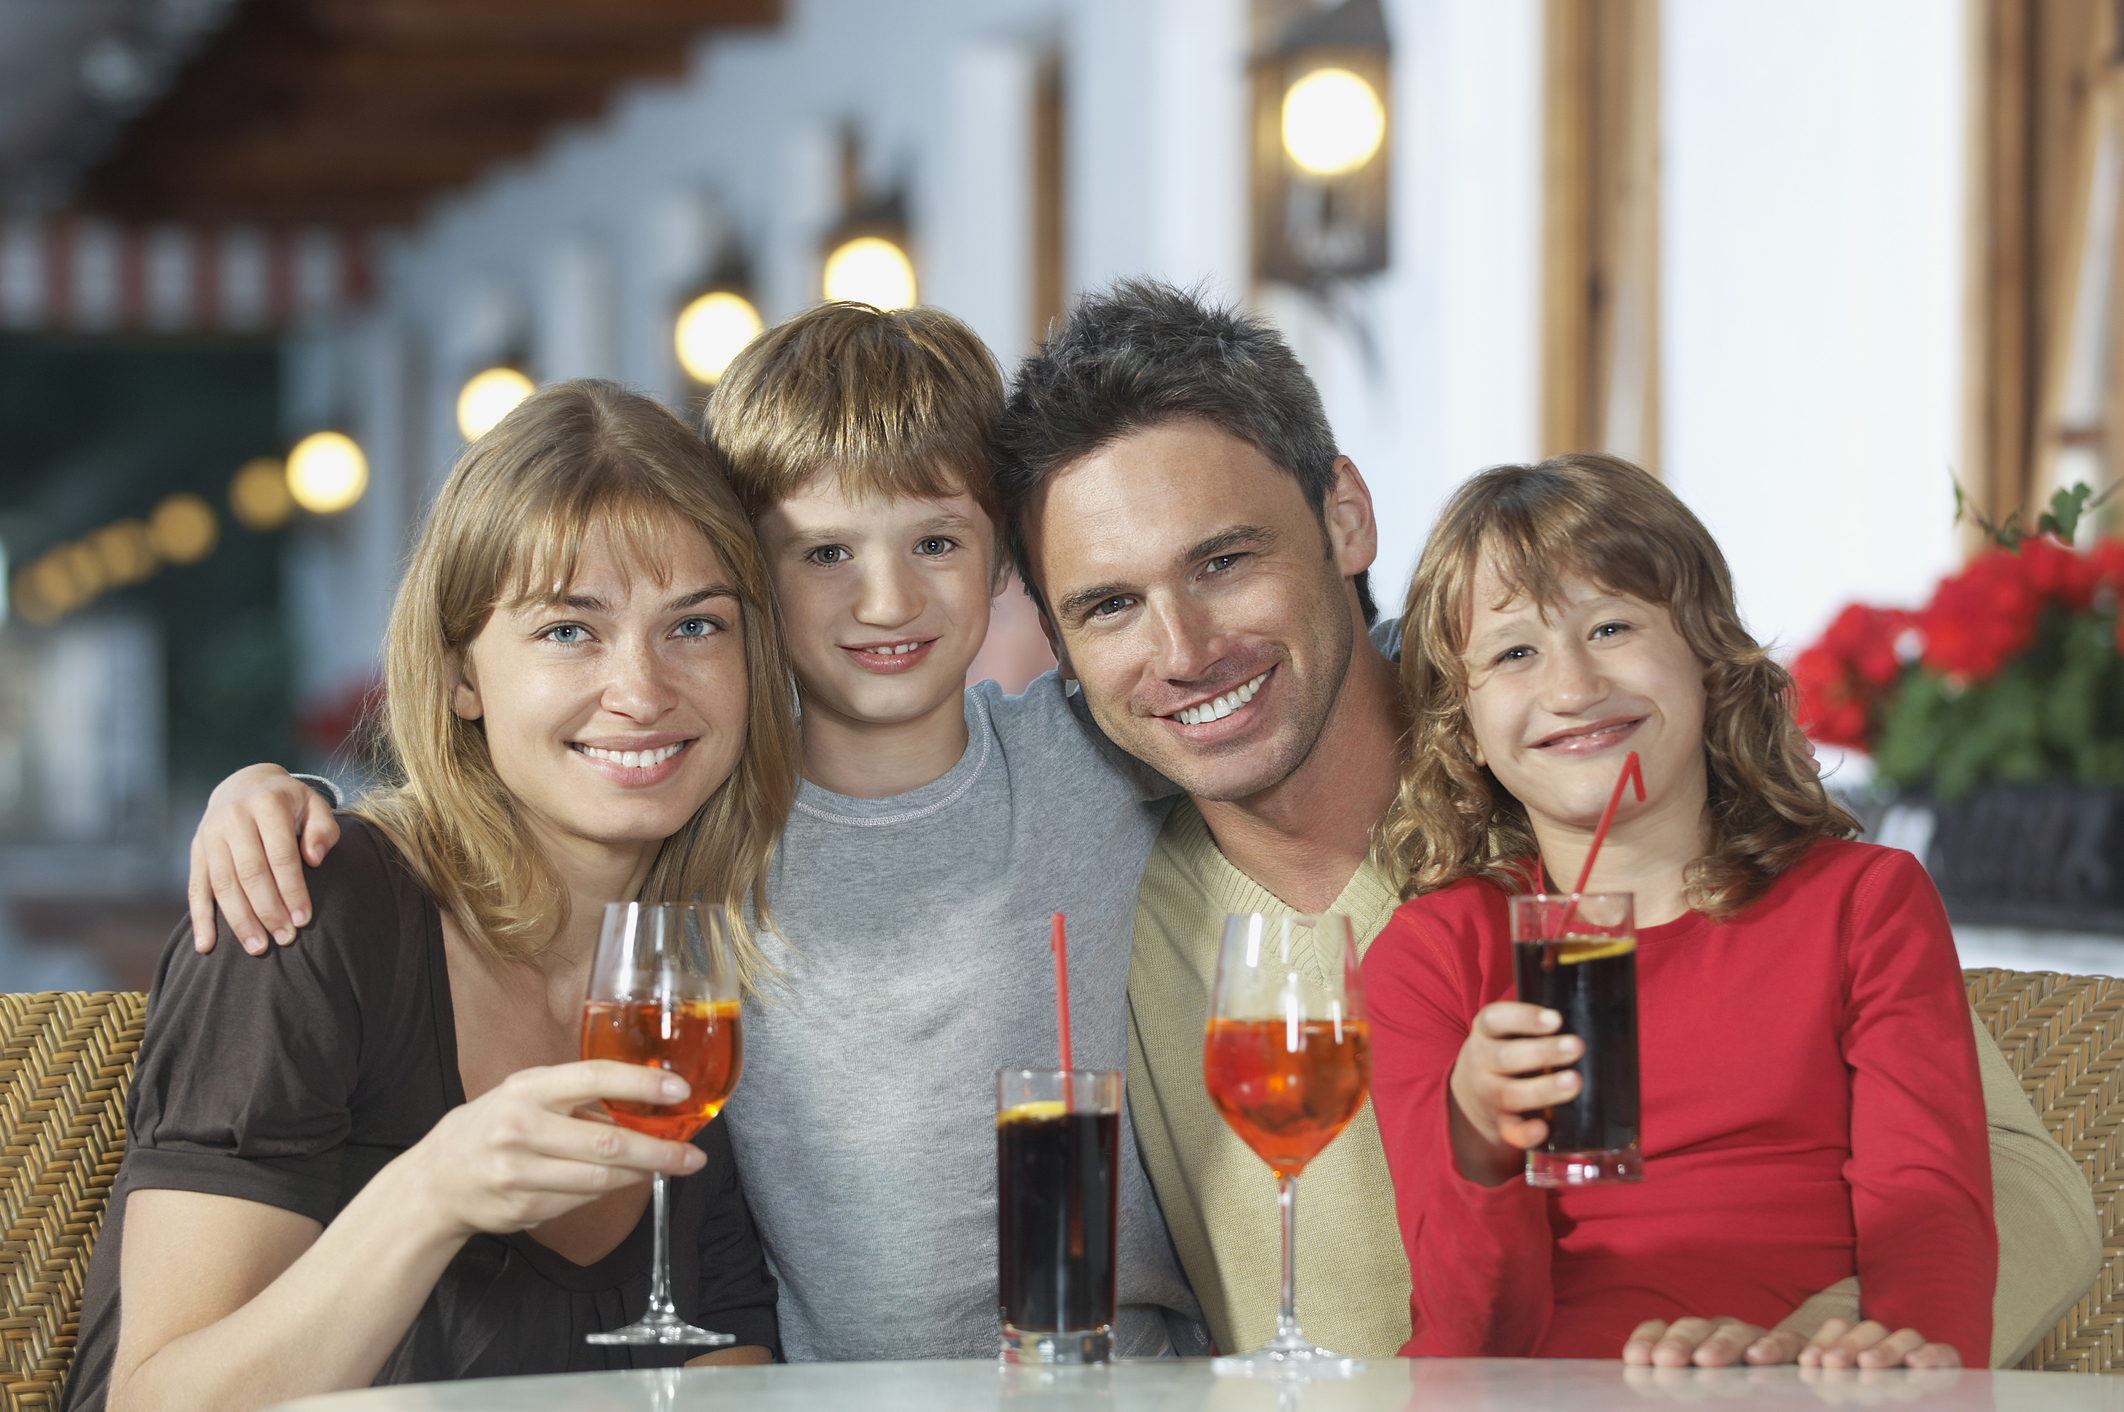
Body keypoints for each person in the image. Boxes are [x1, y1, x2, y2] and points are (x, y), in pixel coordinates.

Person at [992, 280, 2097, 1366]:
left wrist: (1809, 1349)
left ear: (1344, 516)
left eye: (1223, 561)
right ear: (1061, 644)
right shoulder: (1106, 879)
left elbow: (2017, 1184)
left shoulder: (1580, 779)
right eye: (1109, 606)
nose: (1183, 652)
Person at [177, 302, 1205, 1361]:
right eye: (824, 554)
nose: (888, 597)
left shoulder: (1096, 753)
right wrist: (277, 793)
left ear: (1003, 562)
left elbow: (1310, 689)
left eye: (937, 541)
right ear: (758, 583)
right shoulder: (711, 830)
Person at [63, 381, 792, 1412]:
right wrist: (430, 1190)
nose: (641, 687)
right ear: (461, 674)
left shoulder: (695, 968)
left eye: (697, 625)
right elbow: (153, 1399)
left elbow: (724, 1363)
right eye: (569, 631)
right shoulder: (303, 912)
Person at [1364, 454, 1995, 1364]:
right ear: (1464, 729)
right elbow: (1474, 1339)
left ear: (1706, 658)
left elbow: (1930, 1219)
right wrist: (1476, 1136)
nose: (1573, 688)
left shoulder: (1865, 904)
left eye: (1612, 625)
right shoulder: (1435, 955)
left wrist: (1895, 1364)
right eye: (1513, 652)